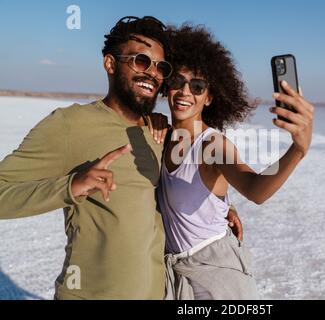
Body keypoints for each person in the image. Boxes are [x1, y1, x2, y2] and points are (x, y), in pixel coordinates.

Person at [0, 16, 241, 300]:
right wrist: (71, 187)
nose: (151, 72)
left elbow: (180, 181)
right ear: (110, 64)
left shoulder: (159, 132)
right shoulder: (69, 125)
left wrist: (224, 206)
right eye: (140, 61)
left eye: (160, 67)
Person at [159, 25, 315, 300]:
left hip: (217, 277)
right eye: (176, 81)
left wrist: (298, 150)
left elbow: (255, 189)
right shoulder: (161, 137)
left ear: (209, 97)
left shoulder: (212, 145)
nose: (185, 91)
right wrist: (226, 205)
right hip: (177, 278)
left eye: (197, 86)